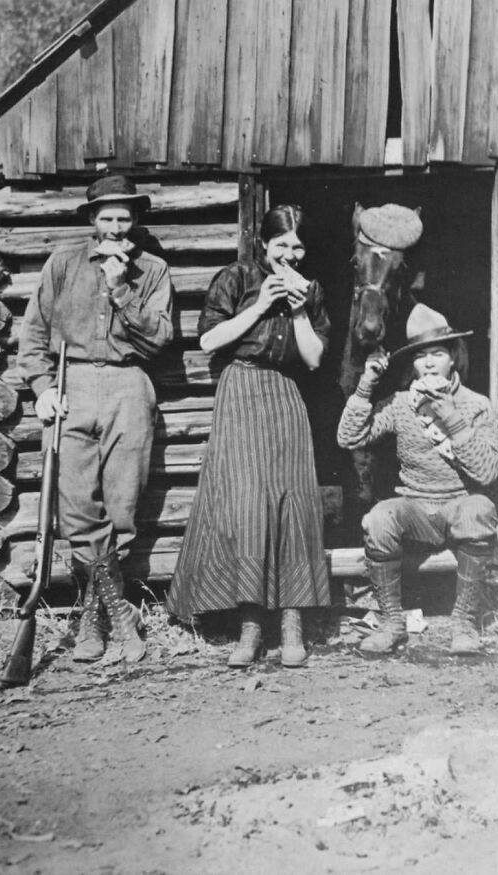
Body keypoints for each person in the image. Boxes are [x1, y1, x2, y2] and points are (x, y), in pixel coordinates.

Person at [167, 204, 331, 668]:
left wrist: (299, 313)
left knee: (293, 500)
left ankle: (293, 622)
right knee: (247, 504)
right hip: (240, 387)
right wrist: (260, 305)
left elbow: (315, 359)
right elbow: (207, 341)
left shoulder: (311, 290)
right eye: (282, 245)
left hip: (285, 391)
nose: (291, 255)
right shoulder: (236, 278)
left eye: (298, 246)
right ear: (264, 243)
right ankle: (251, 624)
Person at [18, 175, 173, 663]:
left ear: (136, 221)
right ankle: (120, 617)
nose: (116, 226)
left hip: (130, 386)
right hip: (74, 388)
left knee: (122, 507)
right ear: (92, 221)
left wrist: (120, 289)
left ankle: (93, 618)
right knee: (77, 507)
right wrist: (43, 390)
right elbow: (34, 336)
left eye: (125, 217)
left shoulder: (152, 270)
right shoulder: (62, 266)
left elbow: (159, 339)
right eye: (106, 217)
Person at [337, 303, 498, 655]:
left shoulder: (476, 405)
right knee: (380, 517)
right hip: (414, 506)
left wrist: (451, 419)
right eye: (421, 356)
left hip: (458, 506)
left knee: (480, 508)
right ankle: (392, 624)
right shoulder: (400, 403)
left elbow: (488, 472)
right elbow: (350, 438)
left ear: (453, 357)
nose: (428, 363)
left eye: (438, 353)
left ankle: (464, 623)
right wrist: (367, 384)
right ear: (412, 363)